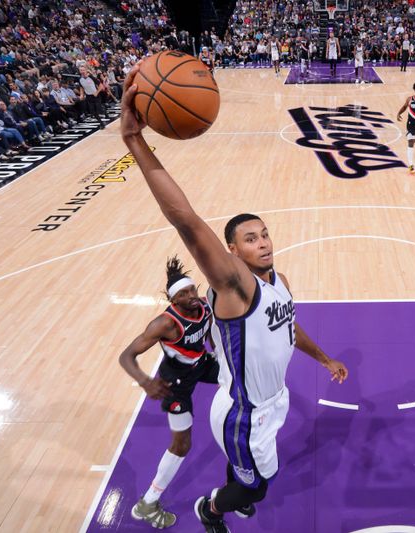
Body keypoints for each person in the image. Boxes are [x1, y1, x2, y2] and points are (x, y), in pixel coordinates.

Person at [119, 64, 349, 533]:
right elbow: (184, 218)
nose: (262, 242)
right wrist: (134, 141)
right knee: (257, 487)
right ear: (232, 252)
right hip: (243, 411)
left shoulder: (278, 279)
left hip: (274, 400)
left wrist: (324, 358)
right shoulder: (235, 287)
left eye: (264, 234)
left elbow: (288, 327)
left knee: (250, 474)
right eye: (249, 238)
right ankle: (211, 509)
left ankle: (233, 487)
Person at [119, 256, 220, 529]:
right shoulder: (164, 324)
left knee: (238, 374)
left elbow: (207, 334)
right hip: (175, 383)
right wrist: (144, 381)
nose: (191, 296)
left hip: (200, 365)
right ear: (173, 301)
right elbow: (126, 356)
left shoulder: (205, 307)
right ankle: (148, 503)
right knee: (182, 445)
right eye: (184, 294)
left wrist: (217, 353)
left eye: (192, 290)